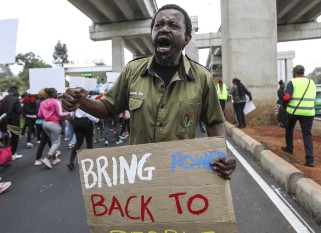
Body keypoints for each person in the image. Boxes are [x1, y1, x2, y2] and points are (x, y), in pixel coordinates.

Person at [62, 4, 236, 179]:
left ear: (187, 39)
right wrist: (81, 101)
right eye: (158, 25)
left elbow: (214, 123)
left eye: (173, 25)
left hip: (181, 176)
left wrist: (222, 156)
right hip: (141, 177)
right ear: (152, 34)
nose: (164, 29)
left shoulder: (202, 77)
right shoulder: (132, 71)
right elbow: (107, 107)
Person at [281, 65, 316, 167]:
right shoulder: (311, 82)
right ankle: (310, 159)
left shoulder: (292, 82)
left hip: (293, 111)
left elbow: (287, 96)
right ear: (303, 73)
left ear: (295, 73)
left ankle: (289, 147)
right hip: (309, 112)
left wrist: (283, 104)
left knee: (289, 128)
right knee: (307, 134)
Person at [38, 88, 62, 168]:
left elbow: (40, 115)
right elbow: (60, 114)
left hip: (45, 124)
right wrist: (68, 113)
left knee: (52, 141)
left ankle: (54, 159)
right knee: (56, 142)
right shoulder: (56, 102)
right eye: (56, 92)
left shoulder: (42, 103)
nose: (57, 93)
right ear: (53, 93)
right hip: (54, 123)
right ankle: (47, 158)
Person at [0, 86, 23, 160]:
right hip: (14, 121)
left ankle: (7, 154)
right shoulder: (16, 99)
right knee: (14, 138)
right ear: (15, 91)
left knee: (7, 139)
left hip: (4, 121)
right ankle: (13, 154)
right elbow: (19, 110)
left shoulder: (3, 99)